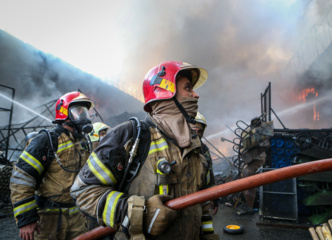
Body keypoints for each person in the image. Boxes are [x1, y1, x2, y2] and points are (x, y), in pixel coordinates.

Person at [71, 61, 219, 240]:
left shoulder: (197, 147)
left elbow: (201, 204)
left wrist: (208, 235)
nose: (195, 95)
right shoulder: (129, 136)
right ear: (166, 92)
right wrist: (137, 214)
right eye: (188, 88)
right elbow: (83, 191)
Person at [10, 91, 95, 240]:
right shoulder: (47, 141)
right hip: (48, 218)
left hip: (78, 218)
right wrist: (27, 220)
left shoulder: (84, 144)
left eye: (85, 112)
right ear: (64, 114)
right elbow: (21, 180)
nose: (84, 117)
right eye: (78, 112)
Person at [190, 112, 219, 215]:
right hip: (182, 200)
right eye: (193, 130)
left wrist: (214, 198)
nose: (197, 133)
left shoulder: (204, 150)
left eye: (200, 131)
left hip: (201, 199)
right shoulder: (178, 148)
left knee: (205, 227)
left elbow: (209, 177)